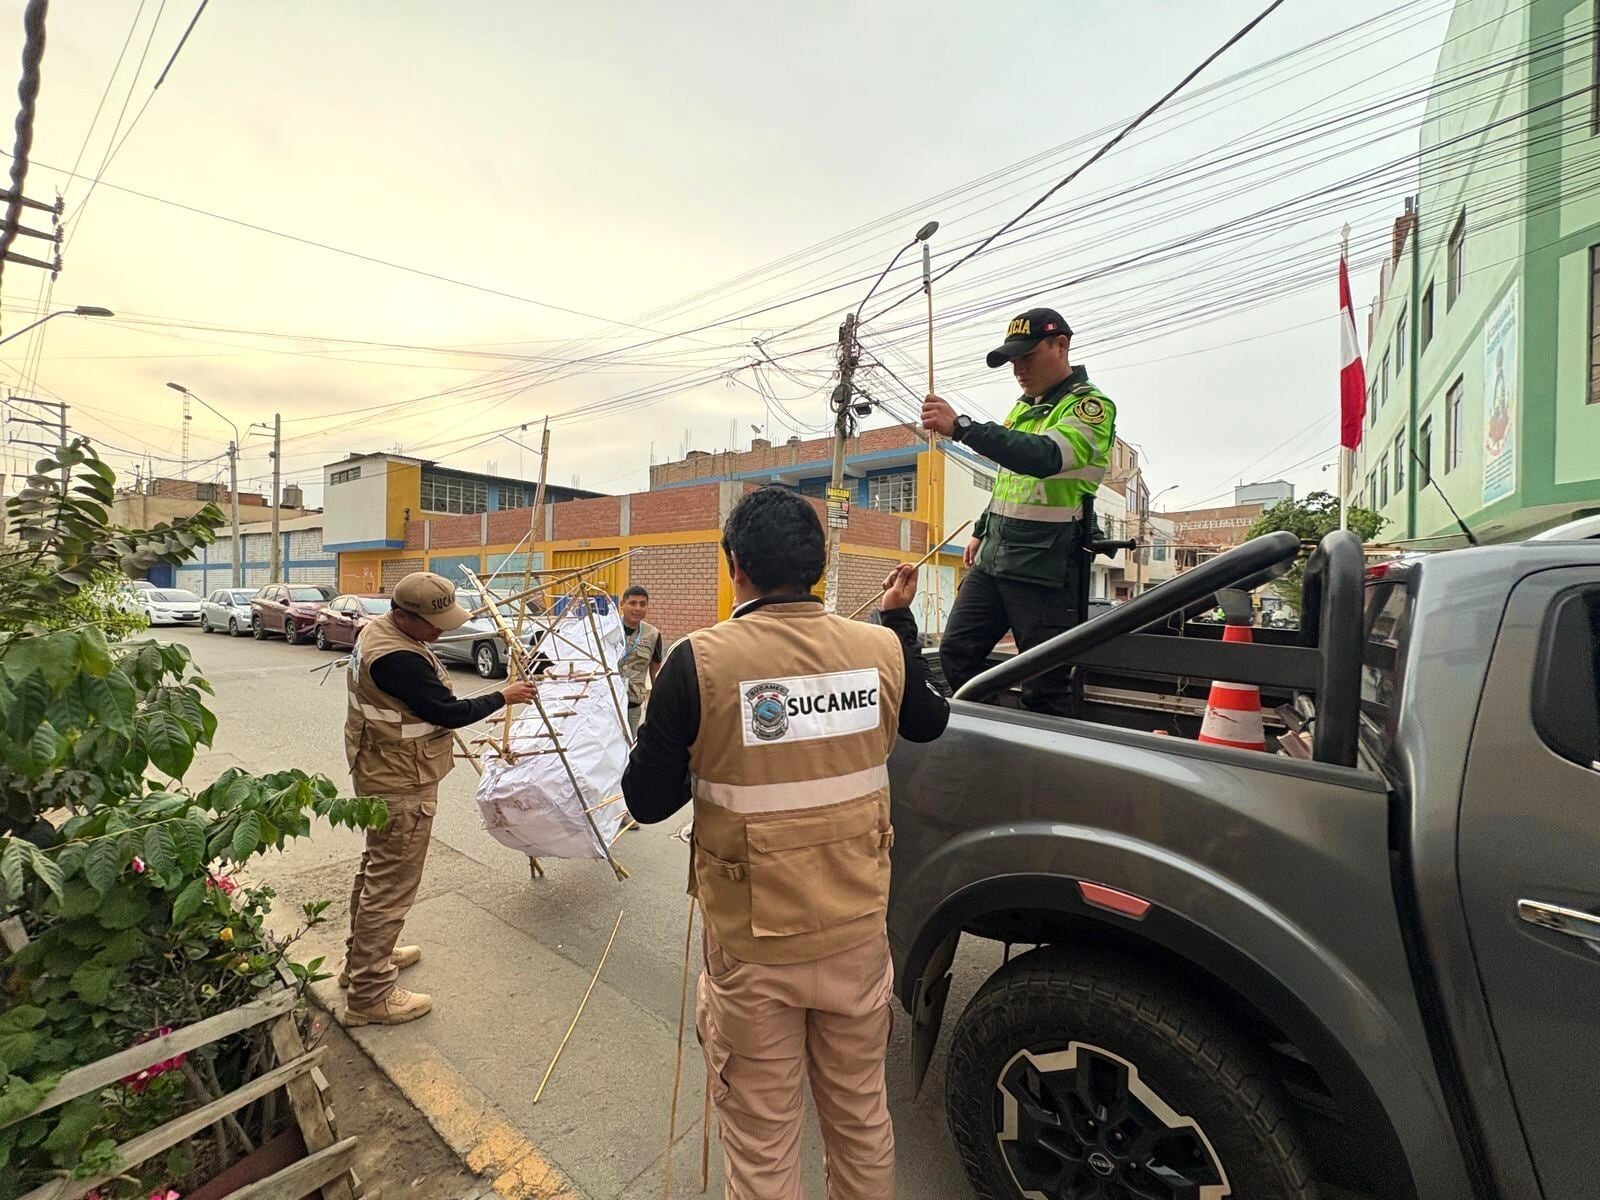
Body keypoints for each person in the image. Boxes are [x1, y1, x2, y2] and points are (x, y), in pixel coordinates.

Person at [622, 487, 948, 1200]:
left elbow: (644, 801)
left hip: (753, 950)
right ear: (821, 566)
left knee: (763, 1142)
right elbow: (928, 722)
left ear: (734, 564)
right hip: (858, 932)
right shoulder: (881, 649)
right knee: (862, 1117)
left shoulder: (697, 662)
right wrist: (899, 621)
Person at [341, 571, 536, 1027]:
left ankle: (363, 963)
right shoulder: (396, 658)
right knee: (390, 885)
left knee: (376, 868)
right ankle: (370, 994)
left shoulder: (379, 630)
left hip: (379, 766)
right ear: (404, 616)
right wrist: (503, 696)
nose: (442, 630)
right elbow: (448, 712)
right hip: (399, 780)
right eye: (435, 623)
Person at [921, 306, 1116, 714]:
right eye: (1012, 359)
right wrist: (982, 528)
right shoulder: (1024, 408)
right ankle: (972, 745)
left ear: (1061, 345)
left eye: (1026, 356)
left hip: (1045, 567)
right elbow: (1010, 484)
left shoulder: (1090, 408)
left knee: (1044, 684)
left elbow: (1043, 457)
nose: (1017, 368)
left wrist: (963, 428)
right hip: (995, 559)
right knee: (955, 658)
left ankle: (1041, 772)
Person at [617, 584, 663, 738]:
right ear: (622, 605)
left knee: (630, 744)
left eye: (643, 604)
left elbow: (655, 672)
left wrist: (656, 704)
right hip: (608, 704)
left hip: (633, 705)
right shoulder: (609, 629)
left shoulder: (653, 634)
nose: (637, 608)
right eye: (633, 603)